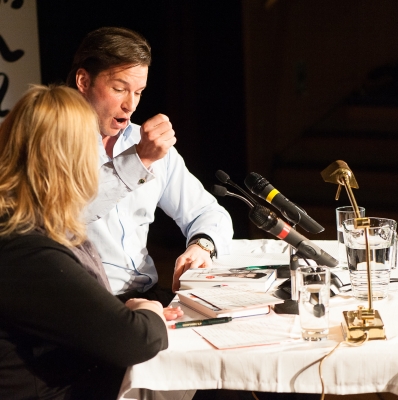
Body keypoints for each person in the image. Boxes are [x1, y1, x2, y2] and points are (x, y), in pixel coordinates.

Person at [0, 84, 170, 399]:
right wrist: (149, 310)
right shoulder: (25, 246)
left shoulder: (25, 225)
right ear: (69, 160)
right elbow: (136, 340)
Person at [66, 26, 234, 302]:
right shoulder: (52, 142)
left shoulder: (143, 141)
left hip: (147, 295)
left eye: (139, 92)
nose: (130, 105)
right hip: (85, 304)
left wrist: (202, 245)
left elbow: (207, 212)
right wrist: (139, 161)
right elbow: (61, 218)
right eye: (119, 89)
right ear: (83, 81)